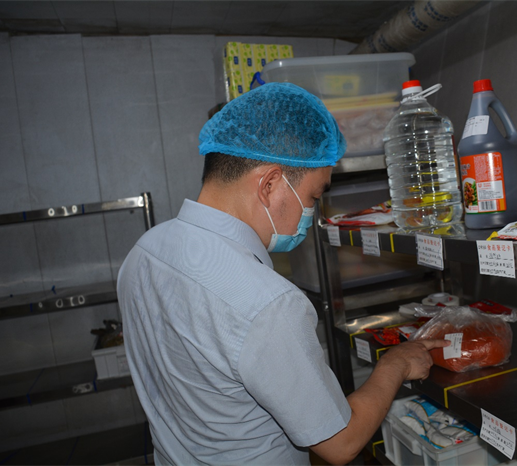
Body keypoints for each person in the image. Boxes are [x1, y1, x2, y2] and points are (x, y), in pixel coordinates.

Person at [117, 82, 449, 466]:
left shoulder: (144, 251)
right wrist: (396, 364)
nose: (312, 212)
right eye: (313, 197)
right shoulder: (267, 303)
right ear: (270, 184)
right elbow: (341, 443)